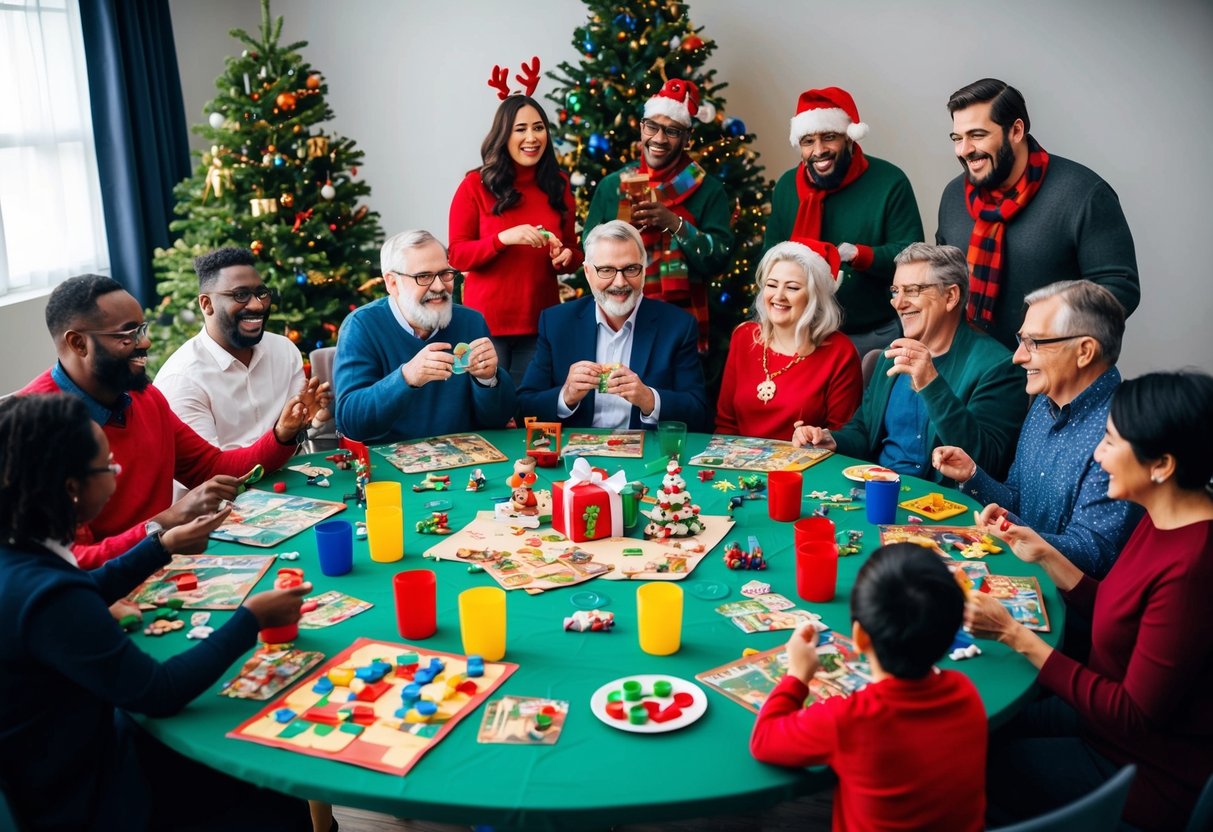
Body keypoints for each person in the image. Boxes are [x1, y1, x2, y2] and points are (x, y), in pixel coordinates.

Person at [0, 393, 314, 832]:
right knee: (270, 797)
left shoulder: (18, 554)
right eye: (108, 468)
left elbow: (81, 591)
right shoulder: (48, 593)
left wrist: (160, 546)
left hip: (50, 763)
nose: (117, 472)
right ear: (71, 489)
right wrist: (251, 618)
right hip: (79, 794)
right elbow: (159, 691)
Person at [968, 371, 1213, 832]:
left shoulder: (1194, 566)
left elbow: (1133, 715)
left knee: (962, 765)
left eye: (1109, 442)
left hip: (1140, 770)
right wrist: (1046, 555)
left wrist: (1014, 635)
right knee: (969, 729)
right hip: (1098, 722)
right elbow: (1125, 611)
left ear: (1161, 464)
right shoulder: (1167, 512)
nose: (1098, 456)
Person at [18, 275, 320, 568]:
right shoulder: (33, 429)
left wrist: (282, 434)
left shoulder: (147, 398)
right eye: (128, 334)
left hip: (165, 564)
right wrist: (164, 524)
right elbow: (66, 563)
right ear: (78, 344)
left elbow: (210, 468)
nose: (146, 343)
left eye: (142, 329)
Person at [750, 543, 986, 831]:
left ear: (859, 636)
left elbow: (763, 739)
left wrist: (797, 673)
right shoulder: (966, 693)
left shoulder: (850, 720)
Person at [933, 280, 1142, 578]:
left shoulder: (1122, 430)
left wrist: (1010, 529)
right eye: (1021, 340)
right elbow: (1019, 500)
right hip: (1019, 573)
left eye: (1035, 343)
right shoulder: (1043, 406)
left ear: (1084, 351)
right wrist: (973, 475)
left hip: (1067, 607)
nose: (1018, 356)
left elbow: (1094, 554)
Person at [793, 243, 1026, 480]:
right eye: (895, 291)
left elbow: (985, 461)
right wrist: (832, 439)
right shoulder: (890, 356)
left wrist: (931, 383)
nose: (898, 302)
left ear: (950, 296)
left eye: (912, 290)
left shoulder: (998, 366)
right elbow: (864, 430)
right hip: (879, 490)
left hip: (944, 507)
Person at [936, 78, 1139, 350]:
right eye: (957, 139)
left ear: (1016, 130)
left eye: (977, 135)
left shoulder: (1083, 193)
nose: (964, 150)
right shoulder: (953, 196)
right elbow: (944, 278)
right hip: (974, 370)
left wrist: (1050, 336)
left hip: (1057, 371)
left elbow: (1120, 288)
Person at [763, 87, 924, 356]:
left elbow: (912, 257)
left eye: (829, 138)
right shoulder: (786, 187)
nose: (819, 151)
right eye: (807, 141)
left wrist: (860, 255)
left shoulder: (890, 181)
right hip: (798, 332)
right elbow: (769, 257)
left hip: (869, 336)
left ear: (849, 139)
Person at [582, 78, 734, 350]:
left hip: (679, 325)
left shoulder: (707, 190)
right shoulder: (612, 186)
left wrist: (674, 223)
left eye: (672, 131)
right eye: (652, 126)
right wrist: (623, 235)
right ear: (642, 128)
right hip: (615, 319)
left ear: (687, 138)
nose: (659, 139)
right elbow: (589, 253)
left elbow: (718, 258)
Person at [517, 220, 710, 431]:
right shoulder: (557, 323)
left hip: (647, 458)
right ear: (588, 273)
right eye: (607, 270)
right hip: (575, 458)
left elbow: (700, 414)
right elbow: (524, 408)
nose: (620, 282)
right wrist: (566, 396)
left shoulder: (678, 326)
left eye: (631, 269)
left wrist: (649, 399)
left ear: (644, 271)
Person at [448, 91, 583, 386]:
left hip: (539, 323)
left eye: (538, 127)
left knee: (528, 412)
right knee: (486, 411)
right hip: (484, 327)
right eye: (520, 129)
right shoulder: (475, 185)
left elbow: (573, 251)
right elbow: (456, 255)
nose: (532, 137)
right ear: (503, 135)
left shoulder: (558, 184)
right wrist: (502, 239)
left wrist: (566, 258)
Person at [333, 230, 516, 443]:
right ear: (392, 283)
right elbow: (350, 423)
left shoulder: (471, 322)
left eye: (445, 273)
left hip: (465, 464)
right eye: (424, 276)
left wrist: (488, 379)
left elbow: (498, 419)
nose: (439, 286)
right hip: (386, 468)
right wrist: (407, 377)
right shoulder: (362, 326)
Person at [155, 246, 332, 449]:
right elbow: (208, 471)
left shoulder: (284, 350)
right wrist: (280, 435)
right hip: (229, 480)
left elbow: (297, 438)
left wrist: (311, 421)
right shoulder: (182, 379)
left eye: (261, 293)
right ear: (206, 304)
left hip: (293, 475)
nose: (257, 305)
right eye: (240, 295)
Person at [716, 241, 862, 440]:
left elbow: (842, 437)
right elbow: (726, 424)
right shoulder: (743, 337)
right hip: (738, 468)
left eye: (792, 288)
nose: (778, 295)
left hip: (807, 468)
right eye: (771, 285)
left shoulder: (840, 351)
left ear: (815, 297)